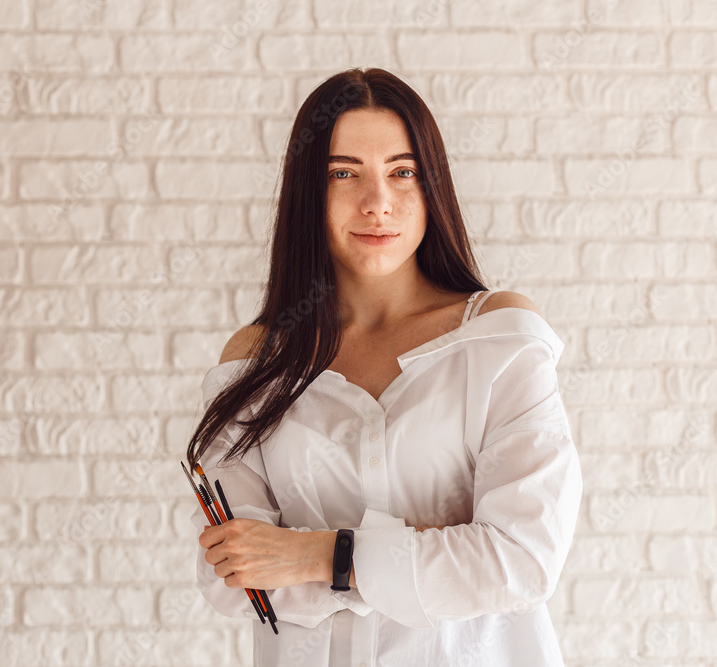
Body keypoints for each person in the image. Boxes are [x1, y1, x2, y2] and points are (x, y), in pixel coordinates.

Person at [186, 67, 583, 666]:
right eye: (344, 174)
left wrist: (320, 555)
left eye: (403, 172)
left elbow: (521, 561)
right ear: (307, 193)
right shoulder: (254, 362)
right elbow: (237, 579)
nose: (378, 203)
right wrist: (434, 552)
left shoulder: (498, 337)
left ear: (433, 189)